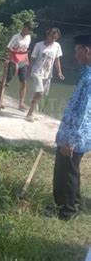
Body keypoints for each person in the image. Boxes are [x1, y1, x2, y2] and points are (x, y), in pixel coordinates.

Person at [53, 34, 91, 221]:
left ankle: (66, 211)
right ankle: (75, 204)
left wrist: (71, 140)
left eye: (77, 51)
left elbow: (85, 112)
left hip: (75, 136)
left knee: (66, 172)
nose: (75, 55)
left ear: (86, 51)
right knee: (72, 170)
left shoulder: (90, 79)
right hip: (74, 134)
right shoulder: (86, 73)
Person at [26, 28, 65, 122]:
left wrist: (59, 72)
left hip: (47, 73)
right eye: (52, 36)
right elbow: (32, 59)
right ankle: (30, 113)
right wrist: (28, 71)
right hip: (37, 71)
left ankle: (32, 111)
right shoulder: (39, 45)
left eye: (55, 37)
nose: (53, 39)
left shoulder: (57, 46)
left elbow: (57, 60)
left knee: (41, 93)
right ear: (47, 35)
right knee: (39, 92)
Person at [5, 21, 34, 111]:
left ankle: (21, 103)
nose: (27, 31)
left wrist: (25, 53)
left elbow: (26, 48)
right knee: (8, 79)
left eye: (29, 30)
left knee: (24, 82)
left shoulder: (29, 37)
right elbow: (9, 47)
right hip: (14, 60)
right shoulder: (16, 37)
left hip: (23, 61)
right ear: (23, 27)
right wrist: (15, 52)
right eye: (26, 28)